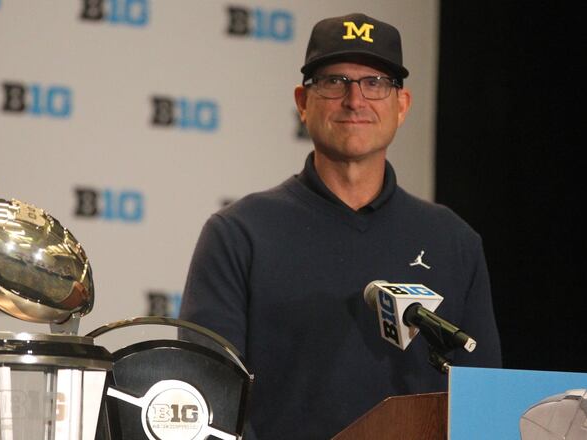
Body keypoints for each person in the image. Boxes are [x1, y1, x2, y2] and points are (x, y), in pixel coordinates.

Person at [179, 12, 501, 439]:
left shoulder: (454, 241)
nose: (355, 100)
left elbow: (485, 402)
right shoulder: (239, 234)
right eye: (334, 82)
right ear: (302, 102)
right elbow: (205, 399)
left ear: (401, 105)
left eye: (375, 83)